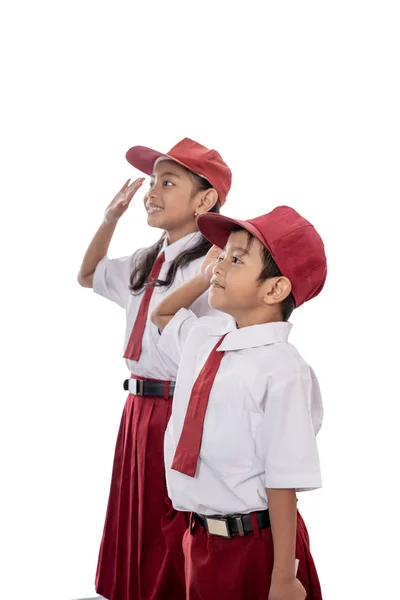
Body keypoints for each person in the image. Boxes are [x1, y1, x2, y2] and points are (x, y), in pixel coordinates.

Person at [77, 138, 233, 600]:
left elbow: (220, 347)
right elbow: (88, 275)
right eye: (151, 181)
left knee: (173, 520)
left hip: (179, 407)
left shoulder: (212, 264)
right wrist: (110, 219)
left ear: (205, 200)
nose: (152, 191)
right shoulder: (147, 258)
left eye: (168, 182)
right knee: (136, 516)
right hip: (137, 408)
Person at [151, 205, 326, 599]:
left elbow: (283, 479)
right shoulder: (205, 336)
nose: (219, 265)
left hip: (257, 545)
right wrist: (202, 277)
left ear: (274, 289)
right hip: (199, 539)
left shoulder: (282, 368)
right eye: (221, 255)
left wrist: (283, 577)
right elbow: (161, 313)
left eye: (235, 259)